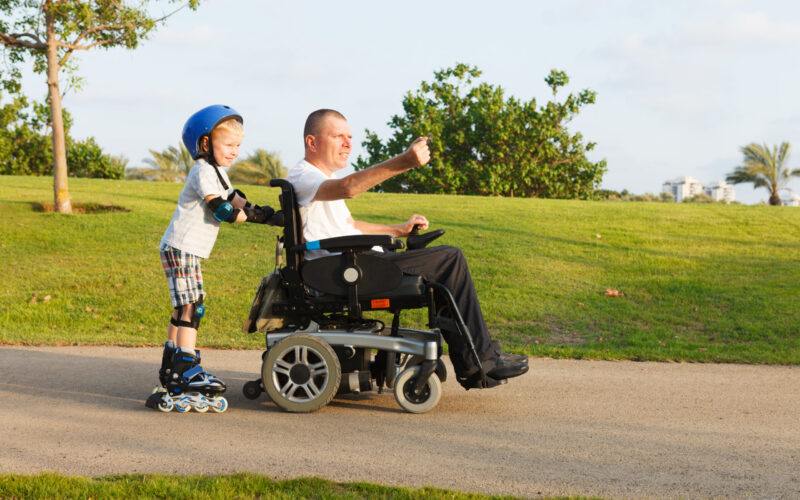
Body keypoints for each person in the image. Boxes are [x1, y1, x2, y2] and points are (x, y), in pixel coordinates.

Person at [286, 109, 528, 389]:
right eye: (338, 136)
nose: (348, 143)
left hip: (350, 264)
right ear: (312, 142)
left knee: (444, 268)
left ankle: (480, 357)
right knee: (450, 259)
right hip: (342, 271)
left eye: (349, 137)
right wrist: (405, 161)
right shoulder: (305, 177)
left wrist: (398, 230)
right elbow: (350, 187)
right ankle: (480, 361)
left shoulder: (318, 179)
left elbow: (350, 224)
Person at [145, 105, 277, 412]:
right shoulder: (204, 170)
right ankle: (185, 366)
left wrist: (268, 214)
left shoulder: (217, 171)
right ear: (205, 144)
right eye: (229, 145)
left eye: (238, 147)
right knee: (191, 305)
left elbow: (235, 198)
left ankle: (173, 361)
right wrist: (251, 217)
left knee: (188, 305)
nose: (235, 152)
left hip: (185, 248)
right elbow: (223, 209)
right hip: (182, 246)